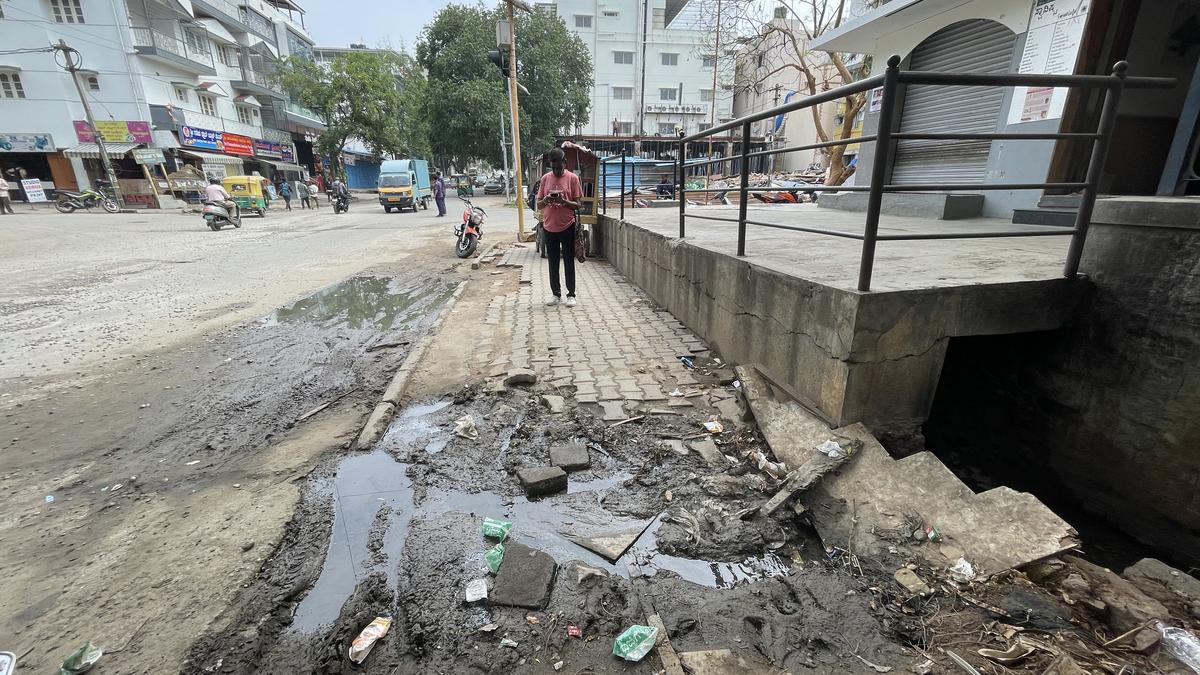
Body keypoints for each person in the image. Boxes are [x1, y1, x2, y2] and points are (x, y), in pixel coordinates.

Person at [536, 147, 583, 307]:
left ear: (565, 163)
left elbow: (578, 205)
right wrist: (547, 200)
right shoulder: (545, 179)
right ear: (550, 164)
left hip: (567, 226)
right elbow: (539, 204)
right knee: (553, 262)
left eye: (559, 168)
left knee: (569, 261)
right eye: (553, 168)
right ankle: (556, 294)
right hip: (549, 227)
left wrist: (564, 202)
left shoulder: (572, 178)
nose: (556, 171)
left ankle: (571, 294)